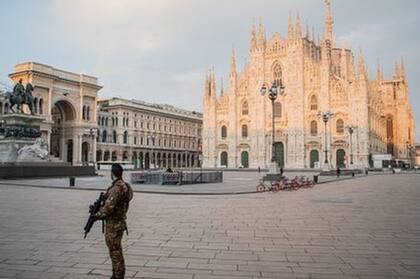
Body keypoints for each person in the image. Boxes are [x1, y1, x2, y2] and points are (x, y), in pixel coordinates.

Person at [94, 163, 133, 279]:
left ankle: (118, 275)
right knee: (116, 249)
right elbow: (128, 198)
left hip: (114, 224)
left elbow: (108, 208)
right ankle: (117, 272)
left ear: (112, 174)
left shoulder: (116, 188)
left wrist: (97, 215)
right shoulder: (126, 186)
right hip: (120, 222)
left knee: (115, 250)